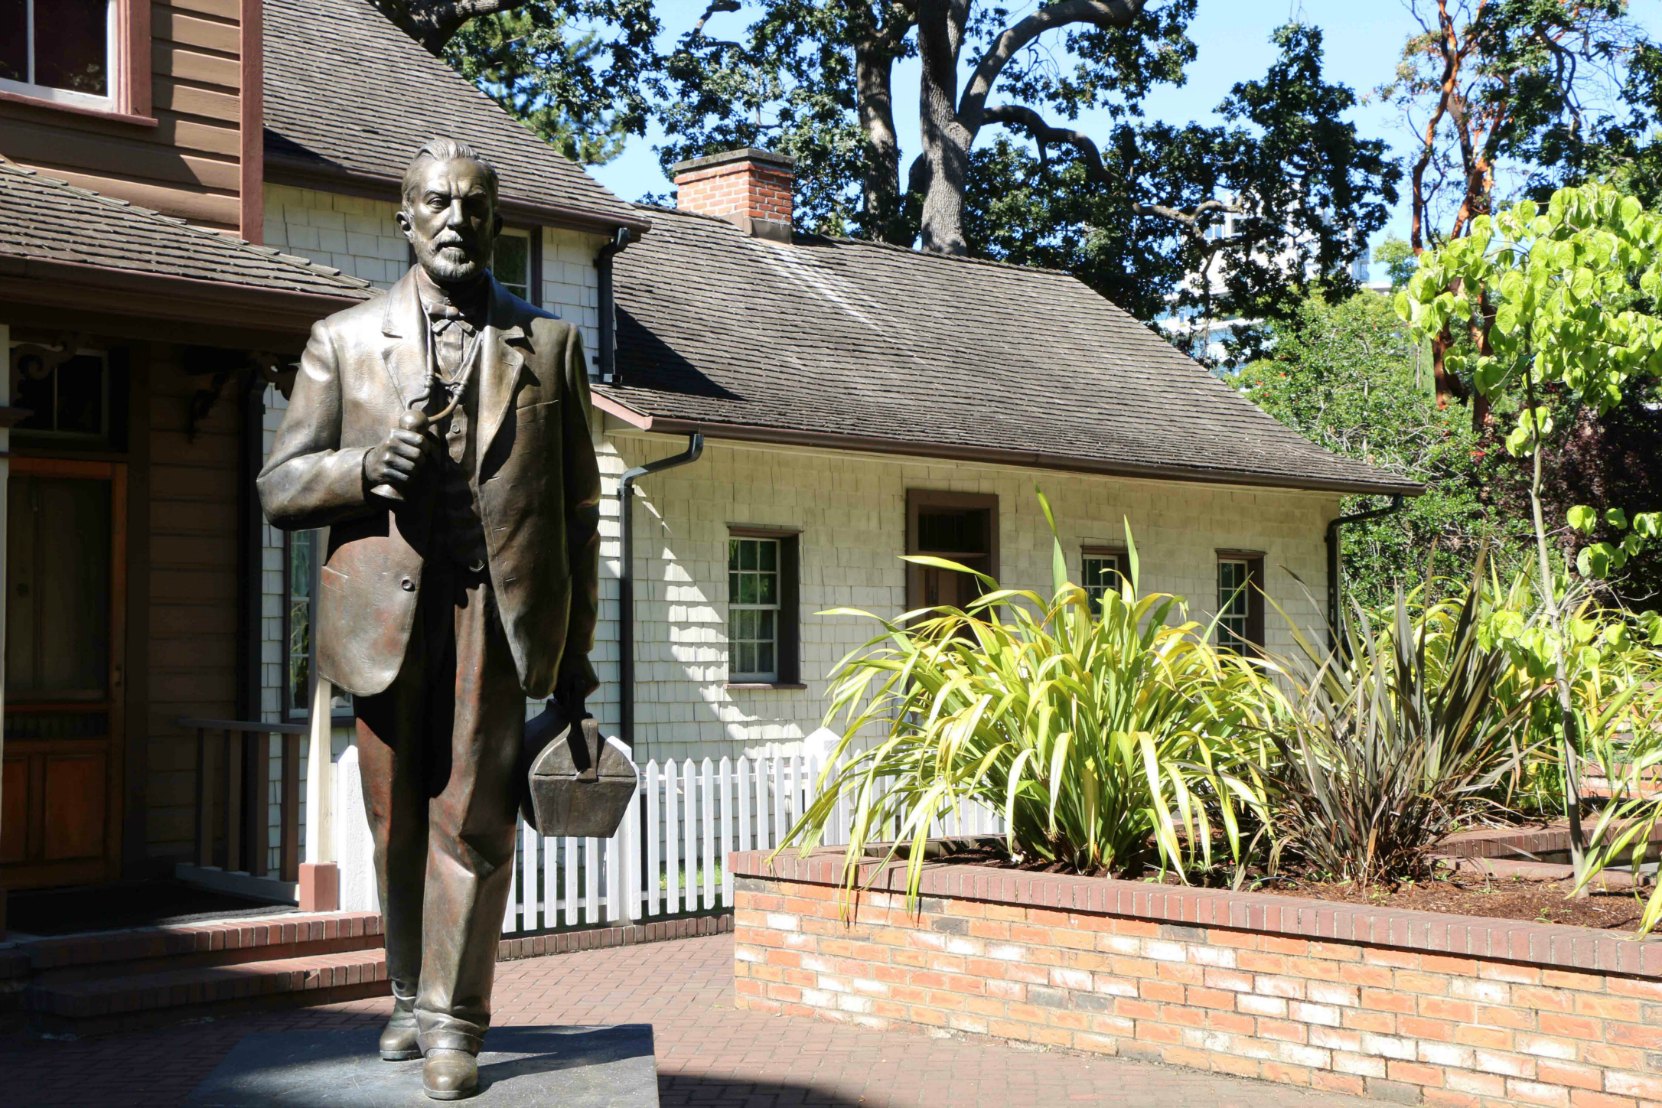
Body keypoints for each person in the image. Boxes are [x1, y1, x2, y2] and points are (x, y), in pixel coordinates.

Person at [258, 137, 601, 1101]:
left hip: (497, 617)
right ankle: (407, 995)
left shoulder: (552, 345)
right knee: (393, 826)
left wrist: (574, 653)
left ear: (497, 224)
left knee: (473, 821)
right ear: (405, 218)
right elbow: (279, 487)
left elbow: (578, 512)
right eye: (438, 203)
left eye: (477, 206)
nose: (458, 219)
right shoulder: (344, 340)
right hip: (381, 622)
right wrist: (365, 471)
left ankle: (459, 1021)